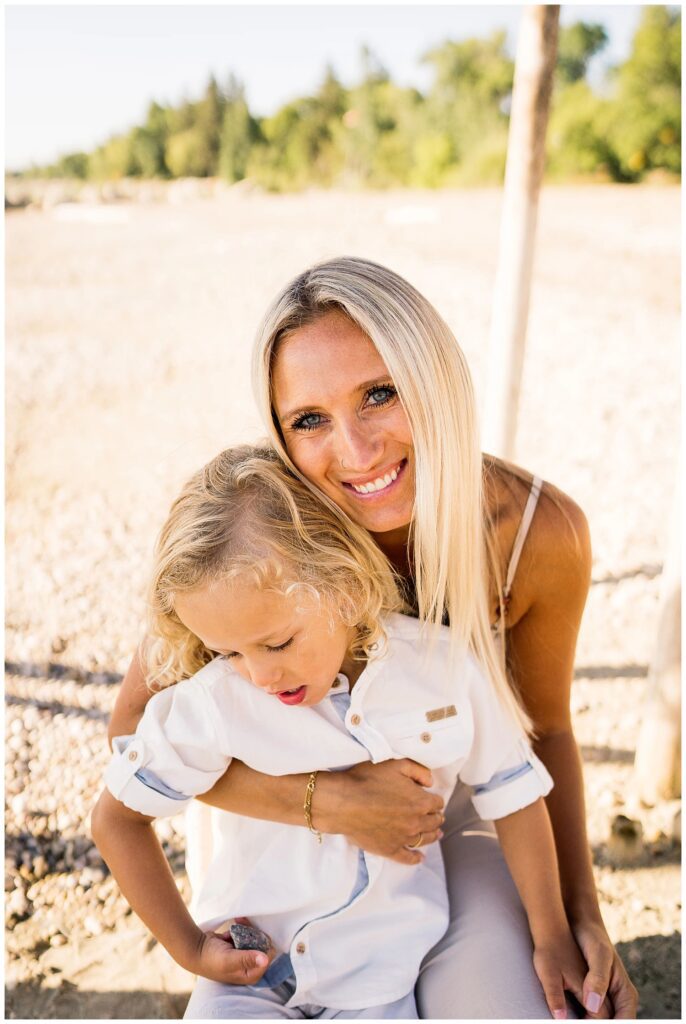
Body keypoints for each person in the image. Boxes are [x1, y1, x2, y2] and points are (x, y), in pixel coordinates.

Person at [109, 257, 638, 1019]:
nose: (356, 451)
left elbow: (546, 729)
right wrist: (326, 803)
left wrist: (581, 916)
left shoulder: (534, 533)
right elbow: (130, 733)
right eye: (310, 419)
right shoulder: (266, 533)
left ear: (434, 379)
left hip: (458, 817)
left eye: (380, 393)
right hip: (284, 845)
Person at [93, 445, 586, 1020]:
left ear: (347, 587)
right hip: (248, 980)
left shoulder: (444, 670)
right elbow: (115, 818)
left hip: (382, 982)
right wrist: (190, 947)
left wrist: (554, 933)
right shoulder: (217, 700)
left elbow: (514, 791)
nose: (260, 675)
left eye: (277, 643)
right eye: (227, 651)